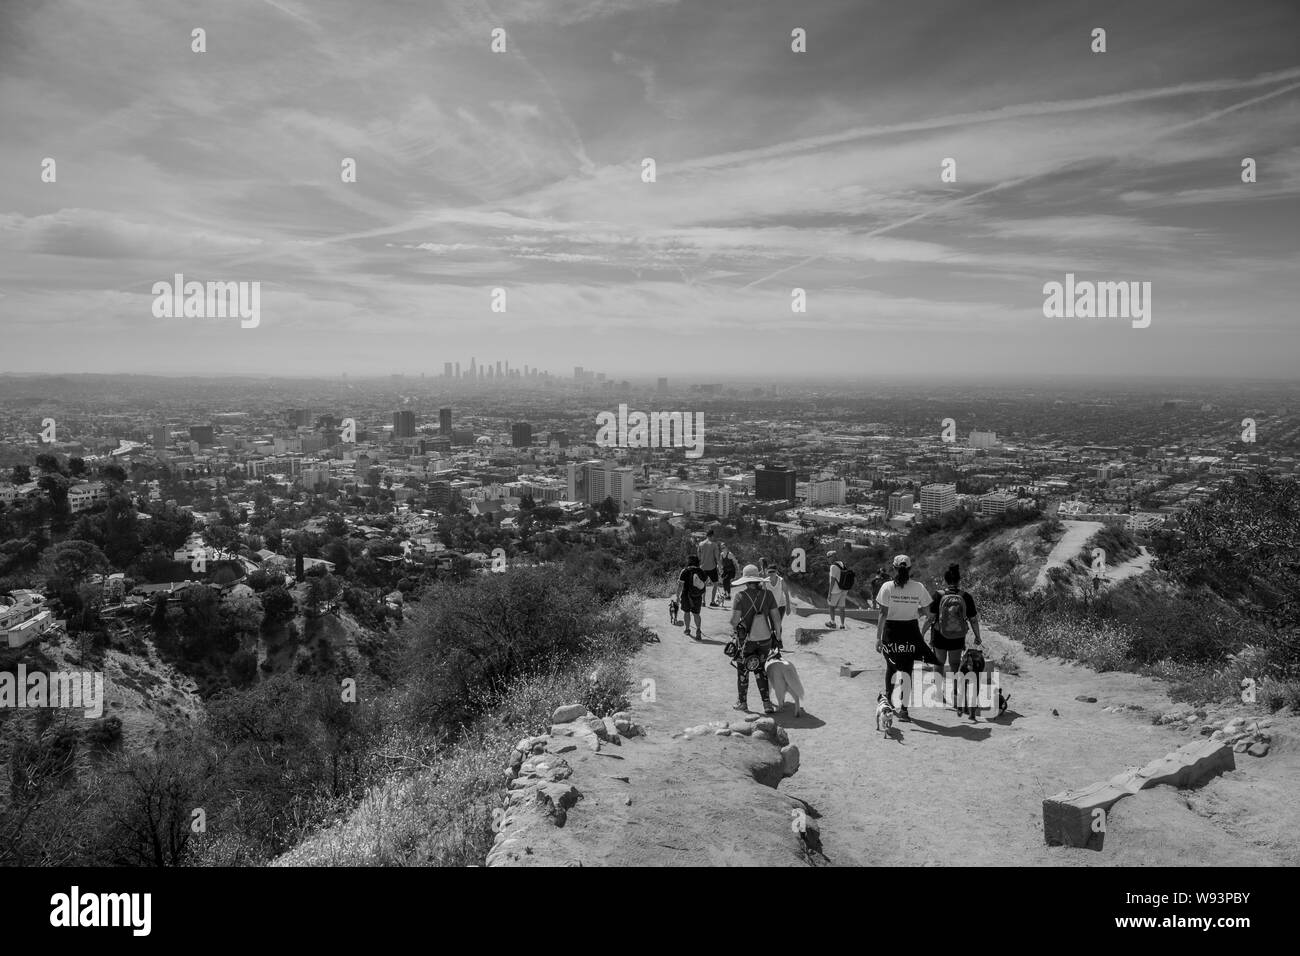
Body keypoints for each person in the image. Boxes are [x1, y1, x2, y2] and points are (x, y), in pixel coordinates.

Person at [874, 554, 941, 721]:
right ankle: (904, 710)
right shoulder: (918, 587)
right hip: (910, 631)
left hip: (891, 632)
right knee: (907, 671)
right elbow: (929, 614)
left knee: (891, 667)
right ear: (910, 569)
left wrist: (878, 638)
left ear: (894, 568)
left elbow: (882, 614)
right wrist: (914, 611)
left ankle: (889, 700)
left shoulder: (887, 587)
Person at [923, 563, 983, 718]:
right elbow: (973, 619)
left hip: (939, 635)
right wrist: (977, 636)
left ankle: (938, 694)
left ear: (946, 580)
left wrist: (922, 633)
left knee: (939, 664)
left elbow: (930, 618)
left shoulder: (938, 595)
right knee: (956, 666)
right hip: (957, 637)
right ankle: (956, 696)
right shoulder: (965, 596)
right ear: (959, 580)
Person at [729, 564, 783, 713]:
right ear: (758, 580)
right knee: (760, 670)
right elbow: (776, 619)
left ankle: (742, 703)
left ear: (746, 581)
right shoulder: (768, 595)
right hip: (765, 639)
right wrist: (777, 636)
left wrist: (734, 630)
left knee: (743, 671)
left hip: (746, 641)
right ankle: (767, 704)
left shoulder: (740, 596)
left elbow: (734, 621)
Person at [676, 554, 706, 640]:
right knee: (696, 614)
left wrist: (677, 596)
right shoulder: (701, 571)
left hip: (686, 595)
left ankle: (687, 629)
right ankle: (698, 630)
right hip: (697, 596)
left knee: (687, 612)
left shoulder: (684, 571)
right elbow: (703, 584)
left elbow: (680, 585)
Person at [762, 558, 792, 639]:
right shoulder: (765, 582)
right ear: (767, 572)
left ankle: (777, 641)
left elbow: (786, 594)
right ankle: (776, 643)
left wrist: (788, 607)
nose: (771, 574)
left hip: (781, 606)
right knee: (773, 625)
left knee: (778, 624)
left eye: (773, 572)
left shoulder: (781, 581)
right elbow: (762, 596)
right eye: (769, 572)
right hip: (770, 607)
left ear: (776, 572)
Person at [698, 529, 721, 607]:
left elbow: (698, 556)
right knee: (715, 584)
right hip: (712, 567)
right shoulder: (714, 545)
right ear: (712, 536)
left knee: (703, 584)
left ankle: (703, 601)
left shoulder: (701, 544)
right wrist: (720, 567)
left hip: (703, 567)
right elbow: (717, 557)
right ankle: (712, 601)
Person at [826, 551, 847, 629]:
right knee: (842, 607)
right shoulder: (842, 564)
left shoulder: (833, 566)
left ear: (832, 557)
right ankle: (842, 625)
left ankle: (832, 623)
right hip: (844, 589)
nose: (828, 559)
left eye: (828, 557)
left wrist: (829, 593)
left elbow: (832, 581)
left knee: (831, 606)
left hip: (836, 589)